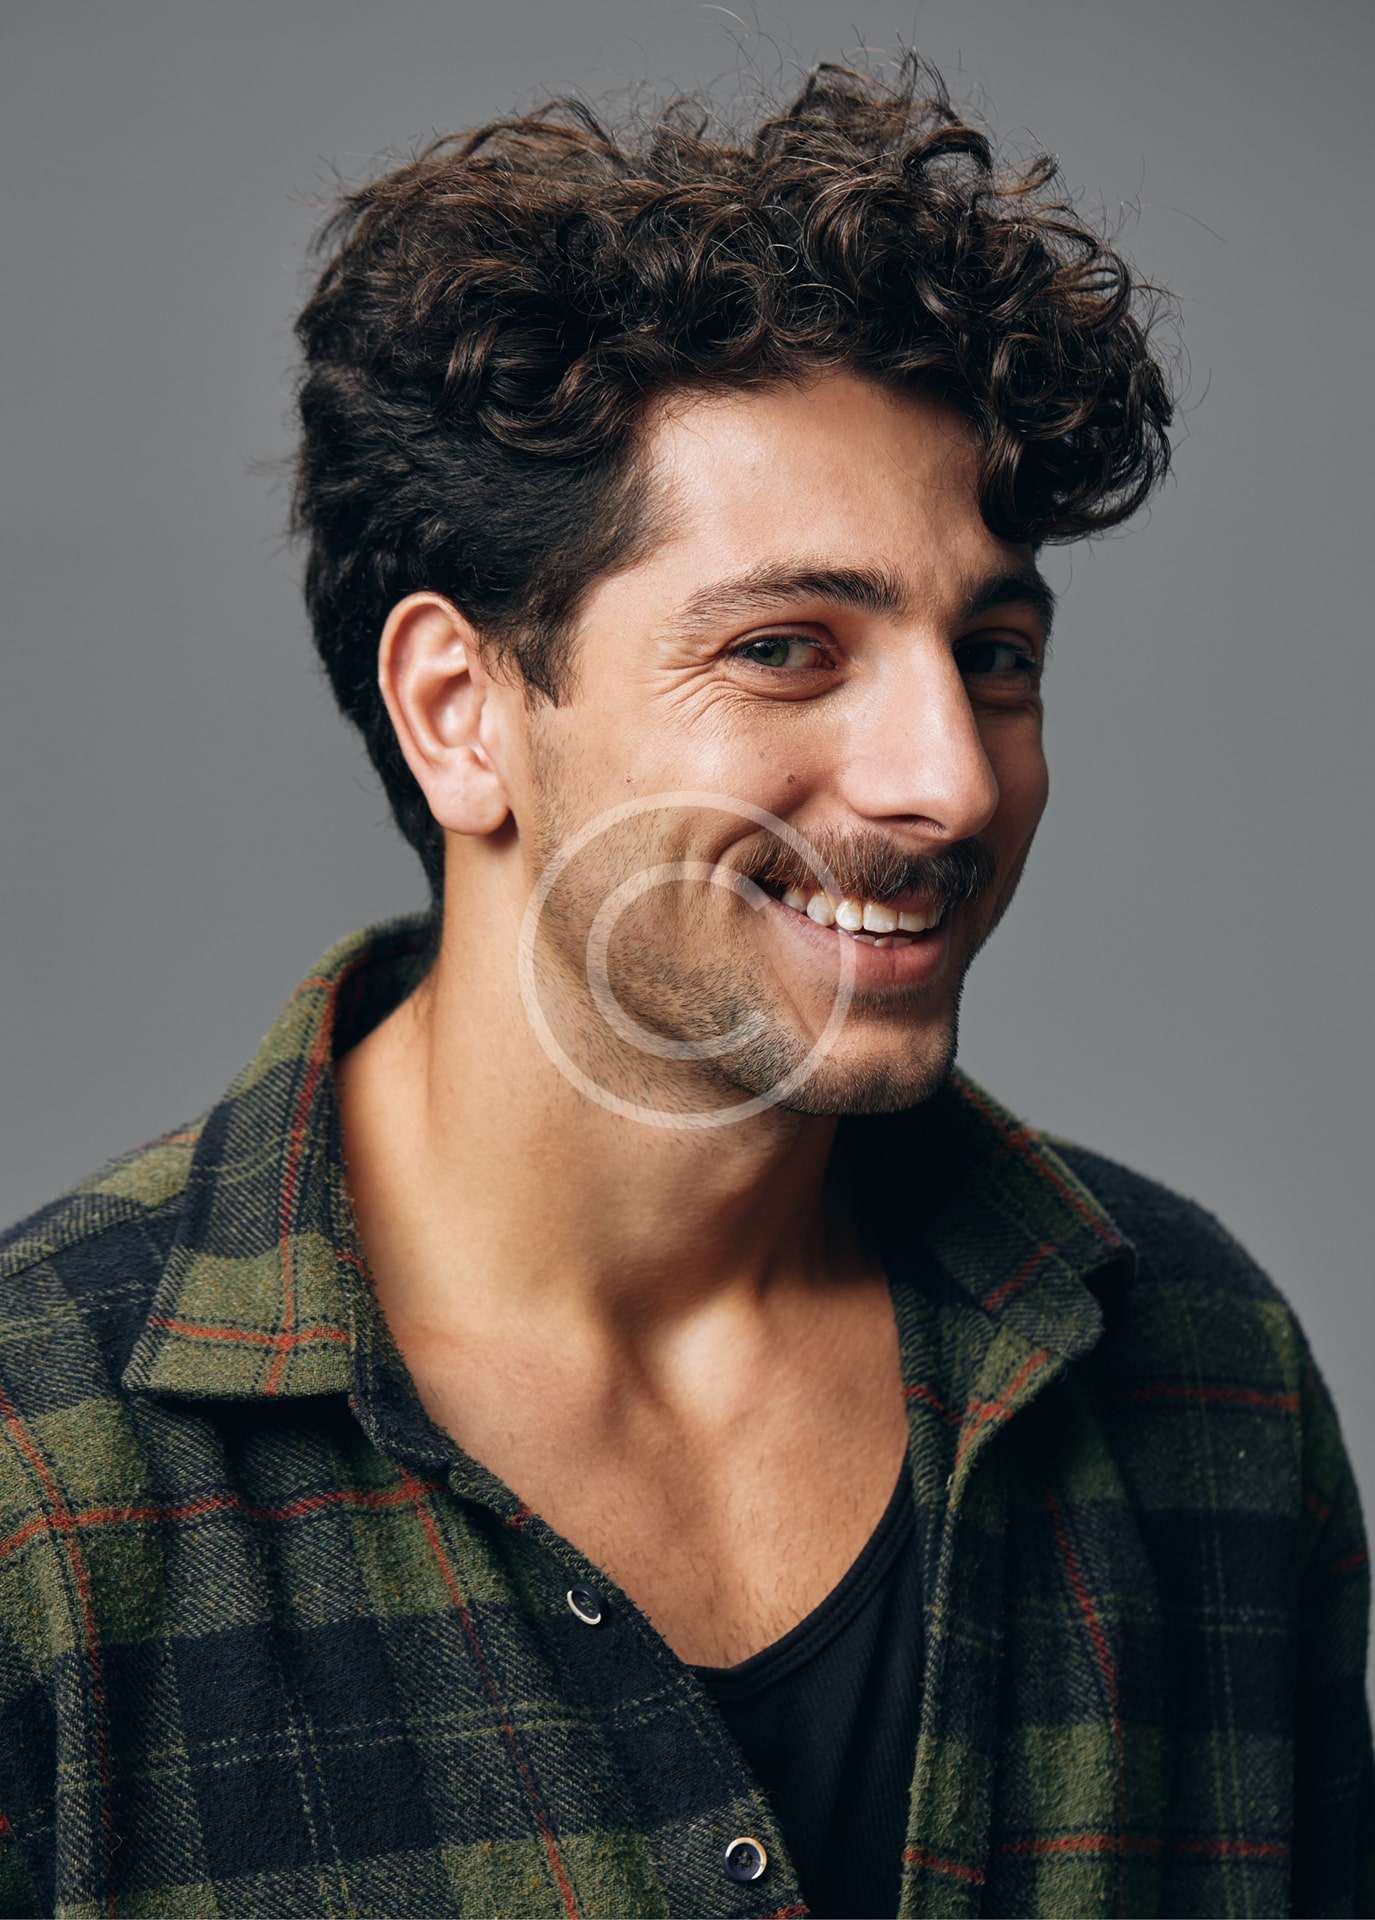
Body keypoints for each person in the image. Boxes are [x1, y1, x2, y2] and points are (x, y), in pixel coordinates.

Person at [0, 51, 1368, 1920]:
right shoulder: (41, 1475)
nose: (951, 781)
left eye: (995, 653)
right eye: (789, 648)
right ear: (460, 713)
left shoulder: (1202, 1375)